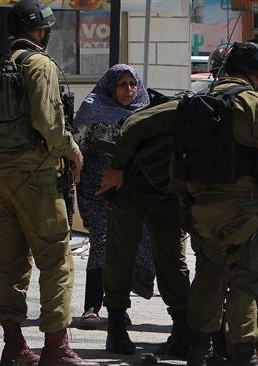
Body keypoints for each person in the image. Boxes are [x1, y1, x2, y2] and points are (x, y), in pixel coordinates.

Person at [0, 1, 97, 365]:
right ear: (42, 31)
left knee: (7, 264)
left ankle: (15, 346)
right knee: (56, 260)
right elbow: (48, 121)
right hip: (38, 181)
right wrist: (73, 152)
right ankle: (56, 347)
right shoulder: (39, 65)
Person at [171, 39, 258, 366]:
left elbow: (178, 165)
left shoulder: (199, 101)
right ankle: (245, 359)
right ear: (257, 75)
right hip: (244, 212)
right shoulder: (255, 103)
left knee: (208, 279)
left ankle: (197, 354)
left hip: (203, 211)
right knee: (246, 282)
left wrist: (189, 206)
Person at [93, 96, 192, 355]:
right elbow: (135, 124)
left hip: (167, 192)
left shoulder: (234, 123)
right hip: (131, 186)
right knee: (120, 255)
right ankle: (116, 327)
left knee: (172, 259)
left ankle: (182, 330)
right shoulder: (189, 108)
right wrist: (117, 169)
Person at [73, 64, 155, 329]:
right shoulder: (93, 109)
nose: (129, 90)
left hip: (131, 192)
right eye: (122, 84)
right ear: (111, 85)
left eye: (132, 84)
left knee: (128, 248)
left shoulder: (145, 110)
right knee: (102, 243)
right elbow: (77, 149)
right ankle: (92, 306)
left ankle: (118, 307)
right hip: (98, 192)